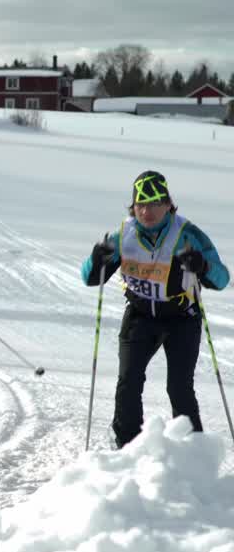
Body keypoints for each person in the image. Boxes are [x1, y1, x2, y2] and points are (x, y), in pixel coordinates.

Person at [81, 171, 228, 449]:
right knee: (128, 382)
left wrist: (203, 266)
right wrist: (96, 259)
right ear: (133, 206)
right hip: (140, 317)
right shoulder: (122, 235)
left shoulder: (188, 235)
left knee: (179, 388)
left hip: (182, 319)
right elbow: (90, 278)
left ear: (168, 204)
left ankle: (193, 452)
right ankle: (127, 446)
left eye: (155, 204)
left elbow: (222, 280)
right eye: (141, 205)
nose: (147, 212)